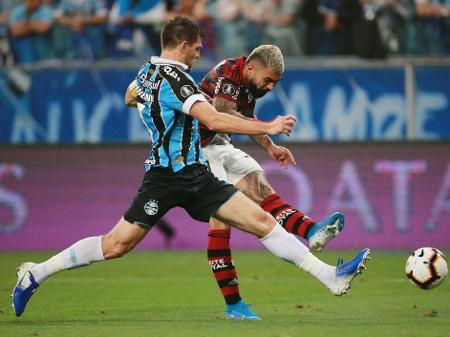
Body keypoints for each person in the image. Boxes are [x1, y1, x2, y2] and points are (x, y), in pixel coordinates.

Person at [12, 16, 370, 319]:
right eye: (198, 46)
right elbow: (214, 117)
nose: (201, 52)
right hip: (164, 178)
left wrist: (151, 107)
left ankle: (331, 277)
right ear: (182, 44)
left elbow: (128, 96)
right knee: (116, 245)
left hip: (197, 174)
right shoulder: (178, 81)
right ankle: (36, 274)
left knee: (263, 222)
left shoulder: (147, 72)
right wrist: (268, 127)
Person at [198, 45, 346, 320]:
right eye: (268, 80)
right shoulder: (229, 74)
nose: (270, 87)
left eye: (275, 83)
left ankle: (312, 230)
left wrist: (270, 148)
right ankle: (233, 305)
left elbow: (246, 120)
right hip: (198, 150)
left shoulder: (250, 85)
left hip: (220, 146)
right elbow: (221, 116)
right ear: (251, 68)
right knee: (221, 222)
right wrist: (269, 126)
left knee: (261, 186)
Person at [8, 0, 53, 64]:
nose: (30, 2)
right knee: (24, 41)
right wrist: (34, 25)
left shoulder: (46, 10)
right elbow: (15, 32)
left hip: (42, 47)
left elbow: (43, 28)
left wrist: (25, 25)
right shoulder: (17, 11)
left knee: (39, 38)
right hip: (22, 49)